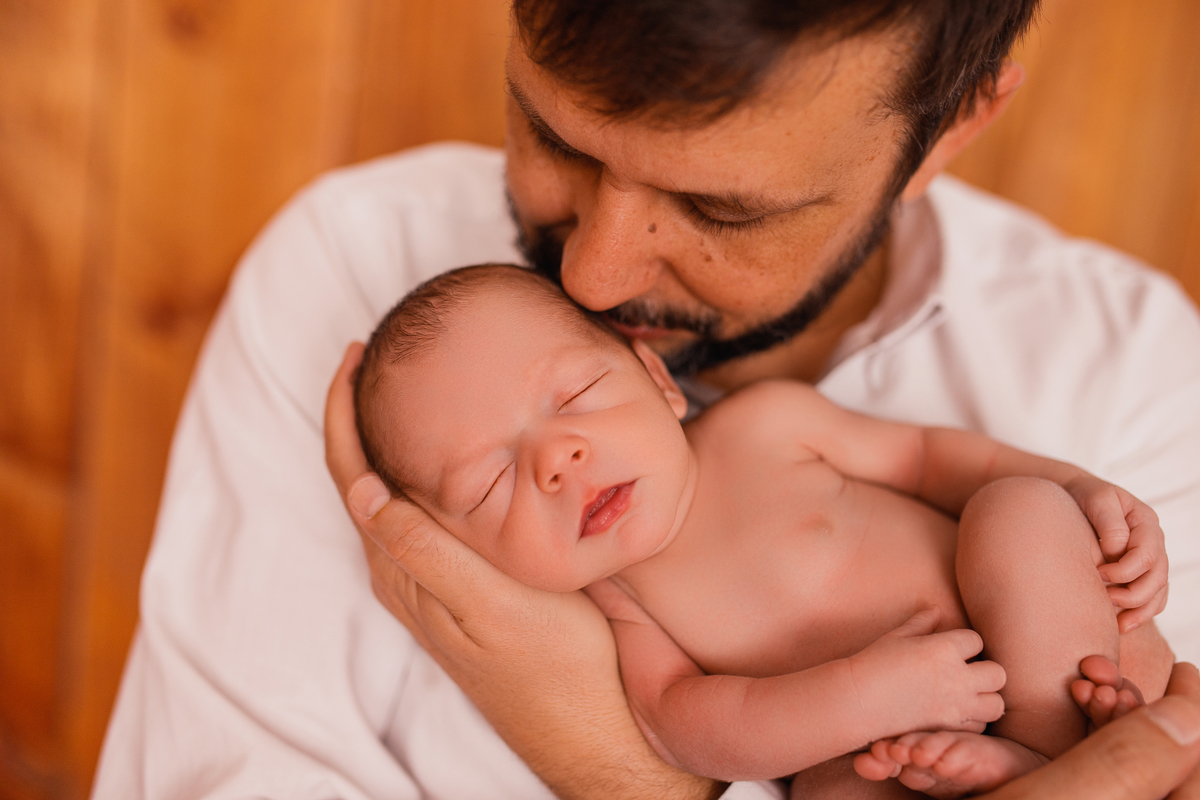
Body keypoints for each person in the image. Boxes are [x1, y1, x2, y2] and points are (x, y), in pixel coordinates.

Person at [92, 1, 1200, 798]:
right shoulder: (349, 265)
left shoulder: (1132, 364)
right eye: (555, 136)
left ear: (952, 125)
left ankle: (1054, 744)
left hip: (1040, 672)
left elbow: (941, 467)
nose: (593, 279)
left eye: (721, 210)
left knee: (1021, 522)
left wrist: (619, 773)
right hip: (885, 745)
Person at [352, 263, 1172, 798]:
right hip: (902, 748)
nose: (557, 460)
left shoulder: (765, 426)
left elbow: (926, 457)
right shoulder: (618, 600)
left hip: (1043, 646)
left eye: (574, 399)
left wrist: (1077, 488)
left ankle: (1040, 744)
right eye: (493, 483)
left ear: (657, 380)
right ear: (463, 550)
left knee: (1019, 511)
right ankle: (1028, 775)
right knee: (829, 789)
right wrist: (866, 695)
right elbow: (686, 725)